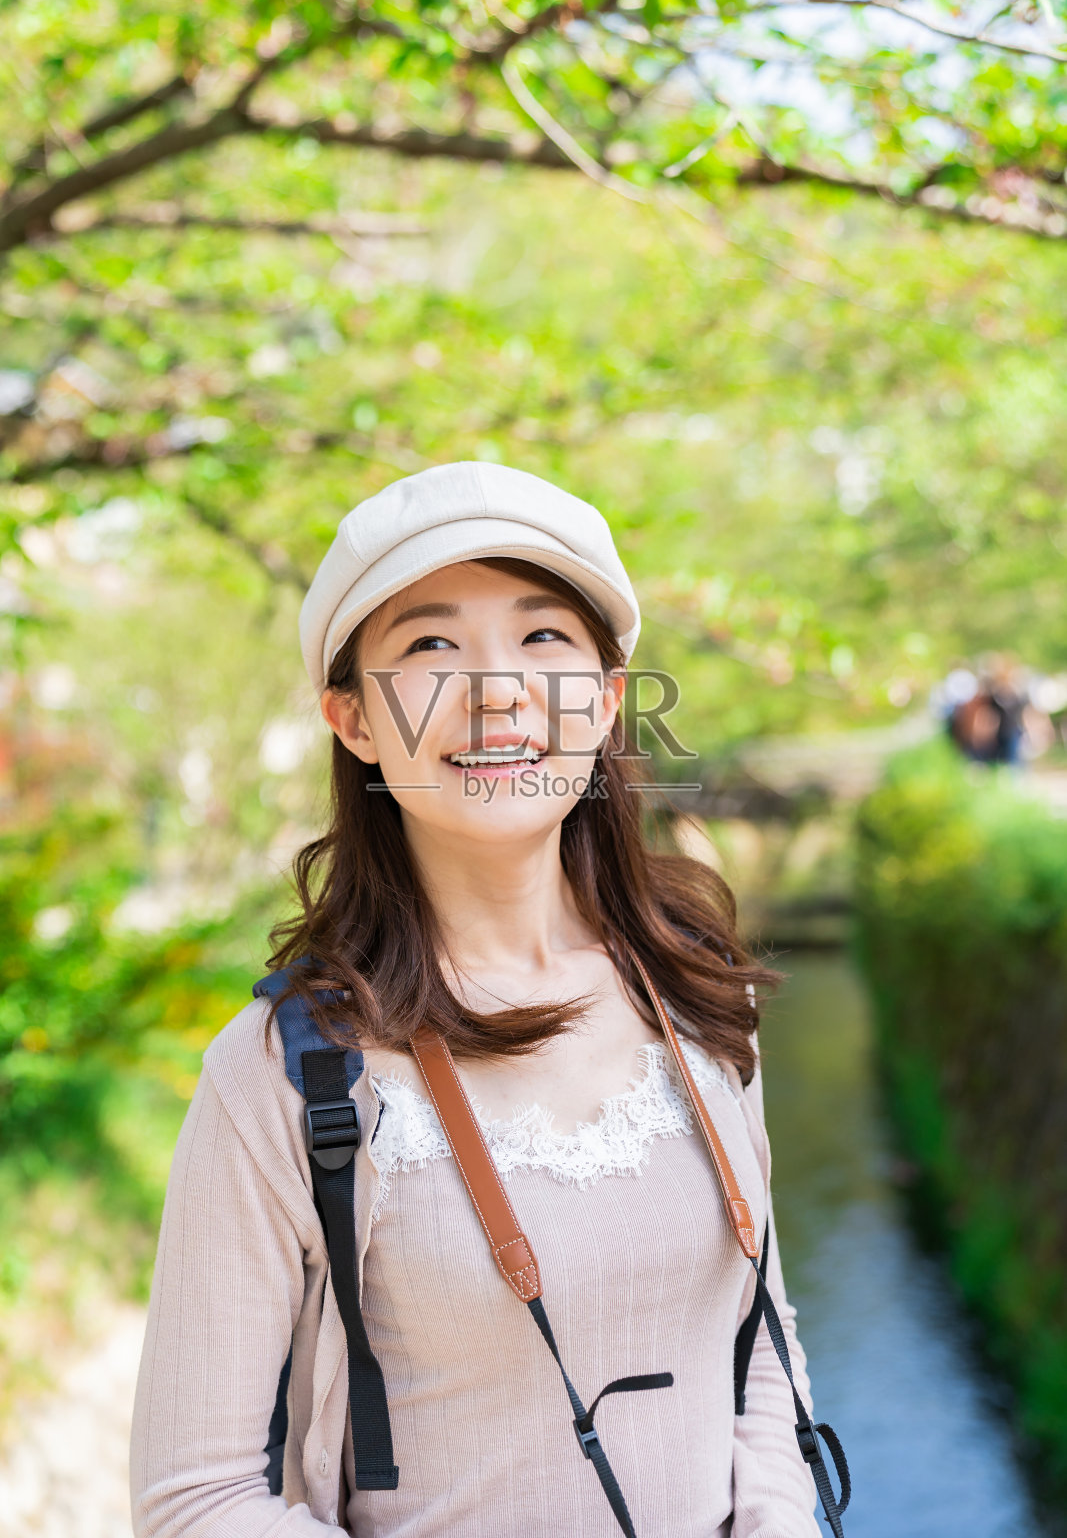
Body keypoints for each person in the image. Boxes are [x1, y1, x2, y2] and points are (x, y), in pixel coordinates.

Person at [130, 462, 823, 1537]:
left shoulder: (696, 992)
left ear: (604, 699)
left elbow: (759, 1347)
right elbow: (195, 1497)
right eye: (429, 647)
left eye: (543, 636)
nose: (497, 688)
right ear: (353, 720)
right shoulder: (286, 1070)